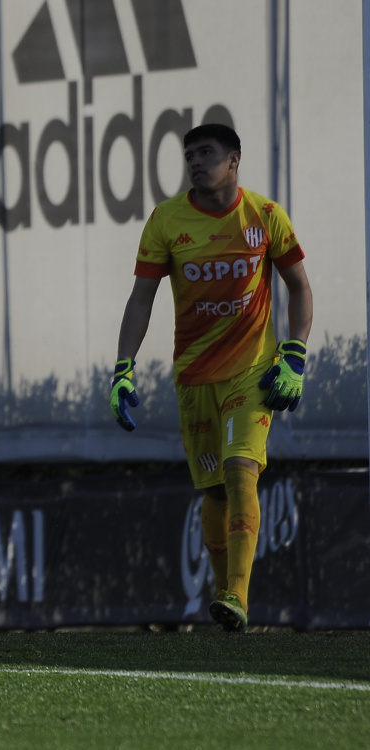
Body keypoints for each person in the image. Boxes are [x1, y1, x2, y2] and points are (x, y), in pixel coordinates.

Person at [110, 123, 313, 634]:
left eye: (206, 153)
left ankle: (237, 594)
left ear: (233, 160)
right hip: (195, 375)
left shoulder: (265, 216)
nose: (196, 162)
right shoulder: (166, 219)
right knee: (216, 489)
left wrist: (294, 353)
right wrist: (122, 367)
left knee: (242, 470)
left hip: (252, 370)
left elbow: (299, 287)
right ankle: (227, 601)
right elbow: (141, 298)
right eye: (190, 155)